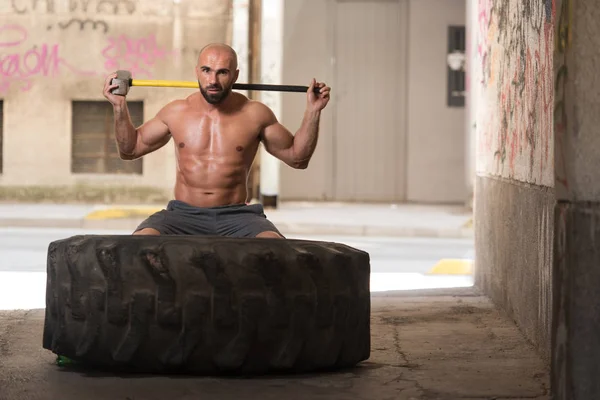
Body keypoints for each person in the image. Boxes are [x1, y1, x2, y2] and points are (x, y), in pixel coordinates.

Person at [102, 43, 331, 238]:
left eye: (222, 72)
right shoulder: (176, 112)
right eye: (206, 70)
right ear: (197, 72)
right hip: (182, 215)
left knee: (276, 249)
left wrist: (313, 111)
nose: (213, 79)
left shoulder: (255, 114)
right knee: (137, 245)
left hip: (238, 216)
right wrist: (119, 106)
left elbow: (297, 157)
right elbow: (130, 150)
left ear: (235, 75)